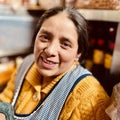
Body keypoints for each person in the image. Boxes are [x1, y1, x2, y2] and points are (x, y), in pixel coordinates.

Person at [0, 6, 110, 120]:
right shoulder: (27, 64)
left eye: (65, 44)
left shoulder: (90, 97)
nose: (50, 51)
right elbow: (5, 101)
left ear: (78, 53)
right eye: (45, 37)